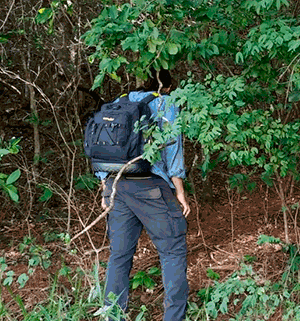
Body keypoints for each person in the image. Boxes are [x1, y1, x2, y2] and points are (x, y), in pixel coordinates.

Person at [96, 70, 191, 321]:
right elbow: (173, 150)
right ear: (168, 86)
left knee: (119, 254)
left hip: (117, 185)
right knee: (172, 251)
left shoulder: (120, 101)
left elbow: (103, 147)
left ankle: (113, 315)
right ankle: (174, 318)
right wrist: (180, 192)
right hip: (150, 186)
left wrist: (104, 185)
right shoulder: (165, 102)